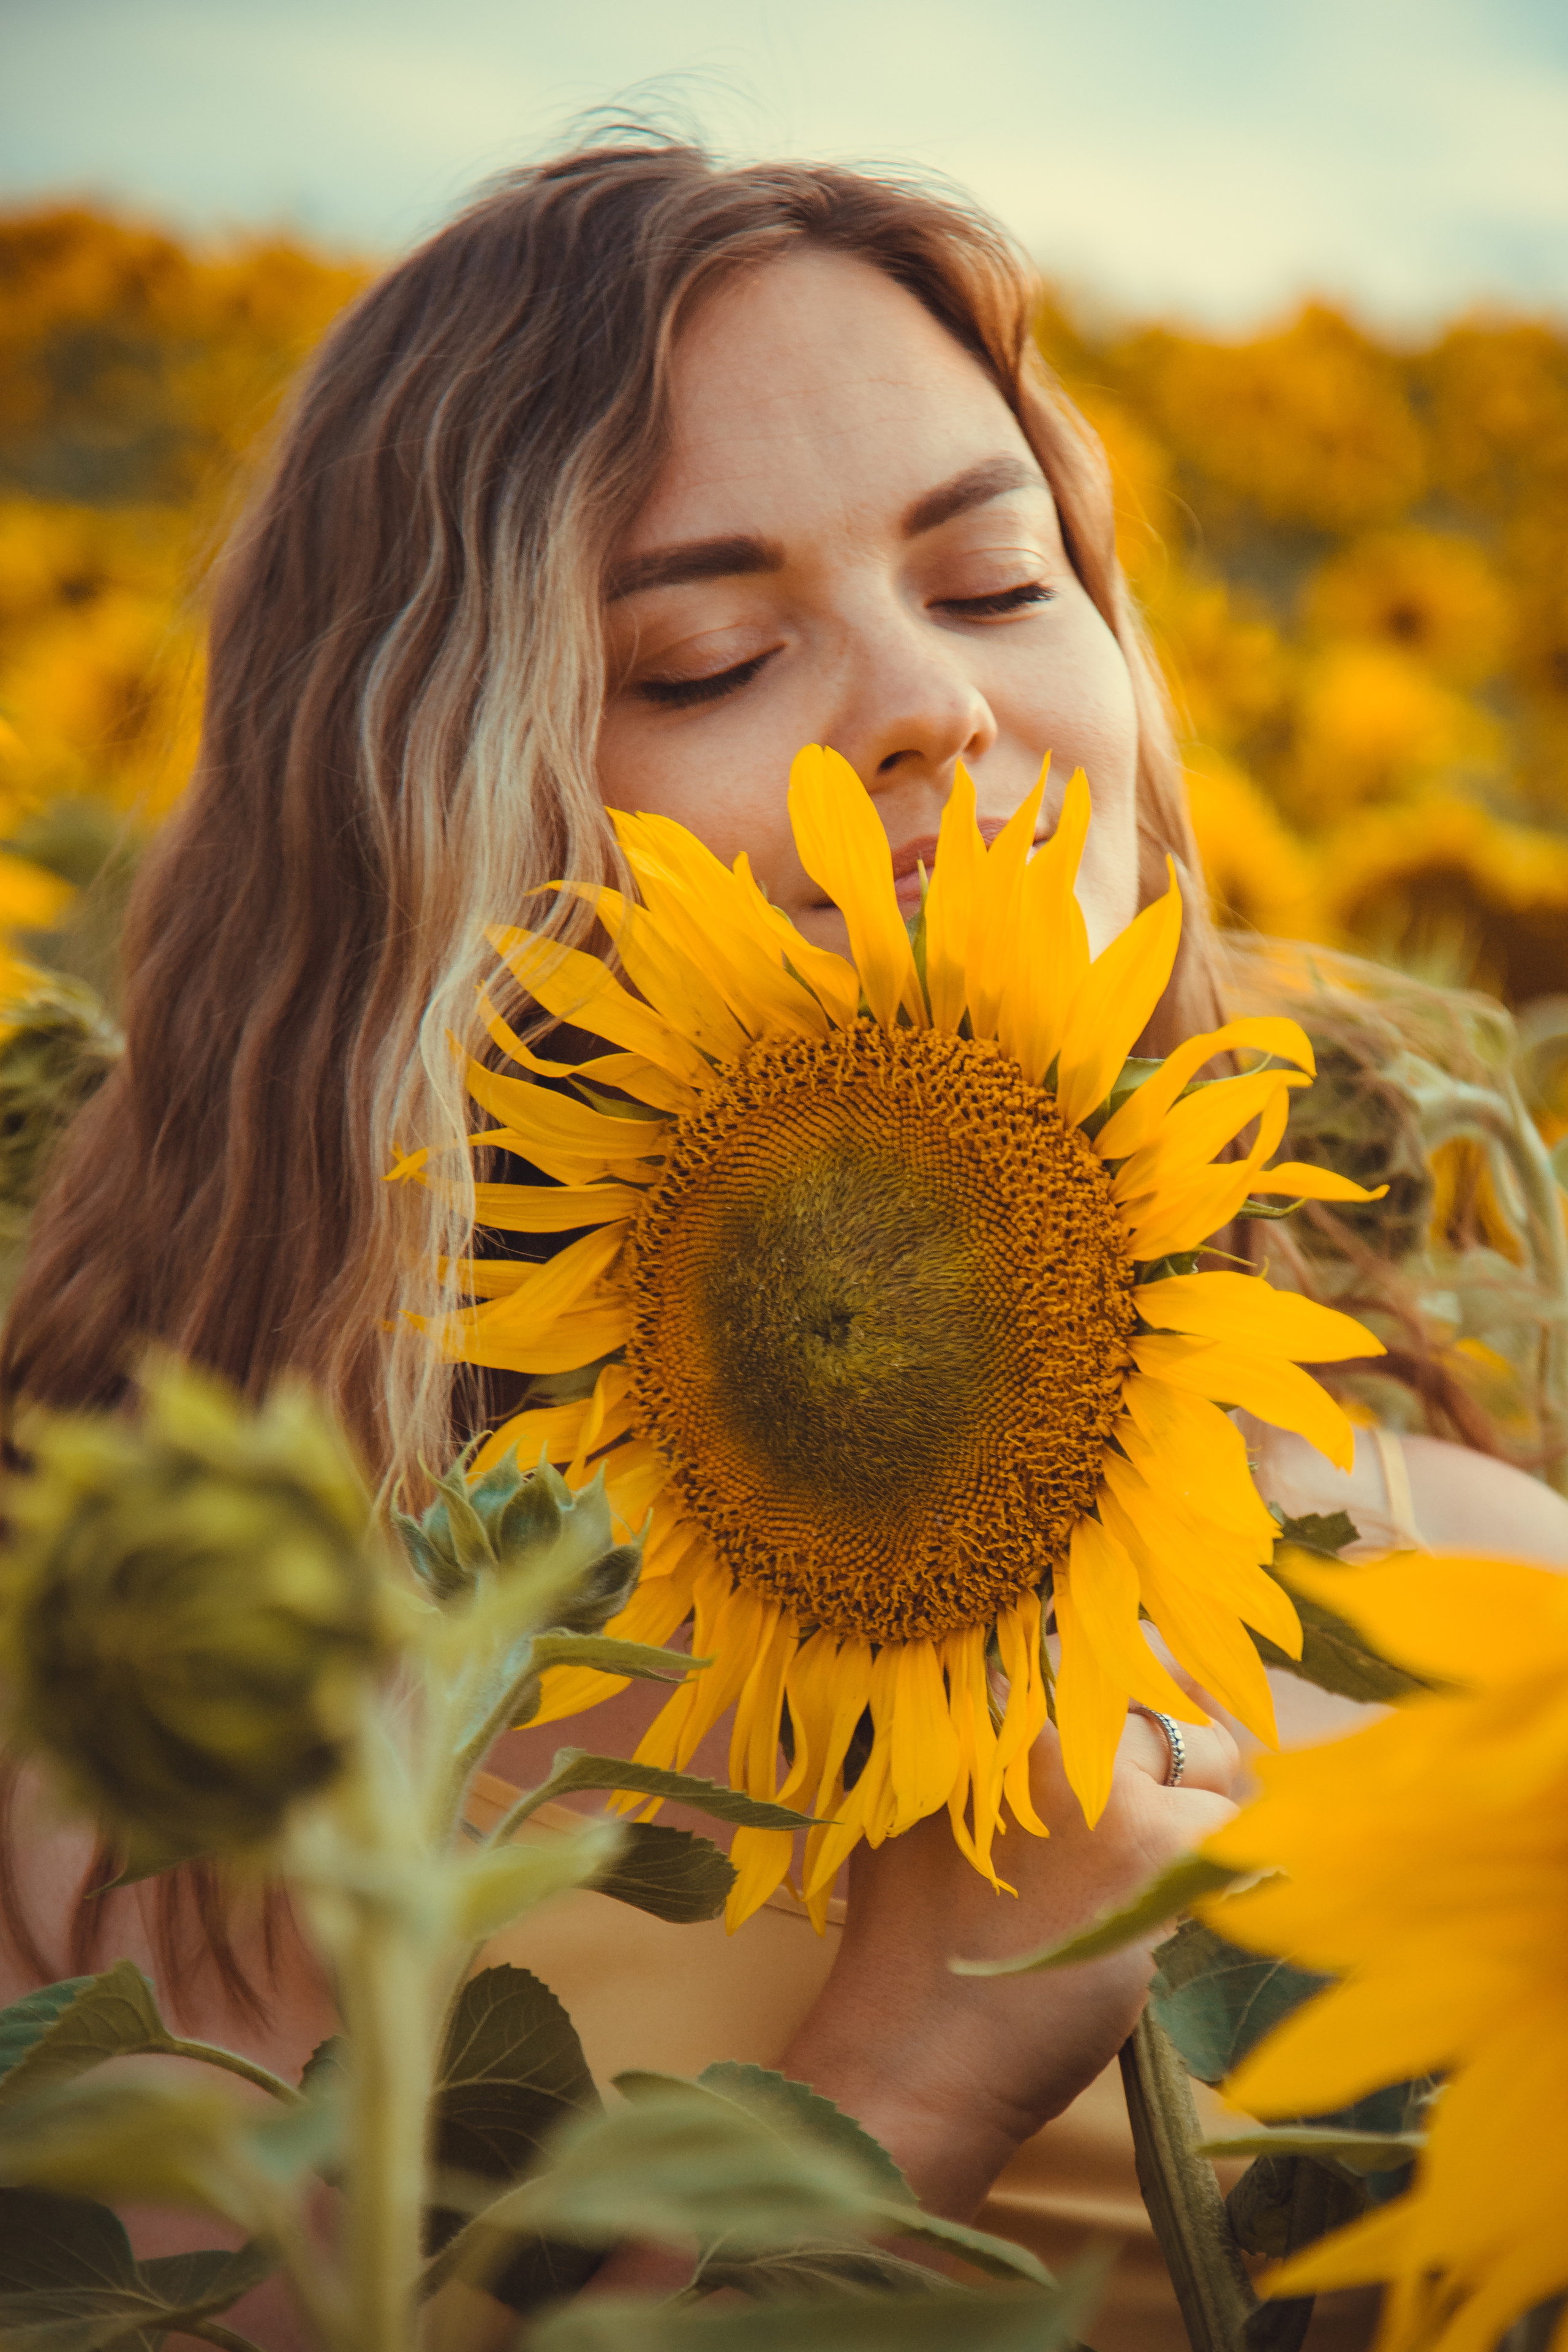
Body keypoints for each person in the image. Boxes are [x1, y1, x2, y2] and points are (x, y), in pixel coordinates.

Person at [3, 142, 1566, 2352]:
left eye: (1003, 581)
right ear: (421, 831)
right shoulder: (181, 1755)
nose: (930, 702)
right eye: (709, 654)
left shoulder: (1494, 1641)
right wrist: (913, 2075)